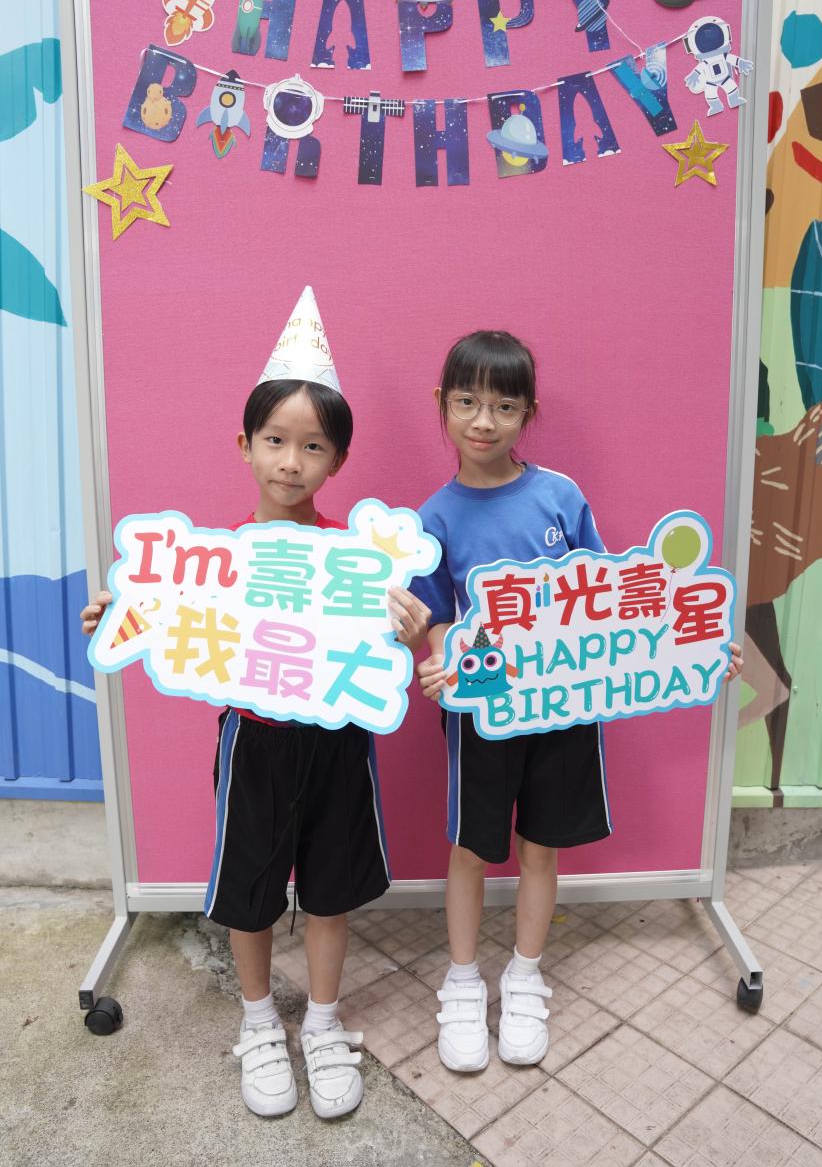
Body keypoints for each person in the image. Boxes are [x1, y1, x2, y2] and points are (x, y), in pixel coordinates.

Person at [81, 290, 430, 1120]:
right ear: (244, 445)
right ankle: (260, 1022)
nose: (291, 461)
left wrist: (410, 627)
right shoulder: (216, 560)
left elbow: (391, 637)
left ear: (337, 459)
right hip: (255, 741)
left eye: (312, 446)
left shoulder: (357, 559)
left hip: (338, 741)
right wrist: (123, 613)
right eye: (274, 440)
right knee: (250, 887)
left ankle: (323, 1023)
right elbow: (169, 614)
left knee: (331, 889)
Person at [411, 329, 743, 1073]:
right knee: (470, 848)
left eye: (504, 405)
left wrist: (693, 643)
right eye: (467, 402)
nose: (483, 421)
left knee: (541, 848)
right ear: (442, 404)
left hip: (564, 709)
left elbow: (616, 604)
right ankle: (461, 982)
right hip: (481, 714)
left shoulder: (560, 497)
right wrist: (442, 660)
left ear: (528, 413)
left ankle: (525, 976)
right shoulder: (433, 517)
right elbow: (436, 619)